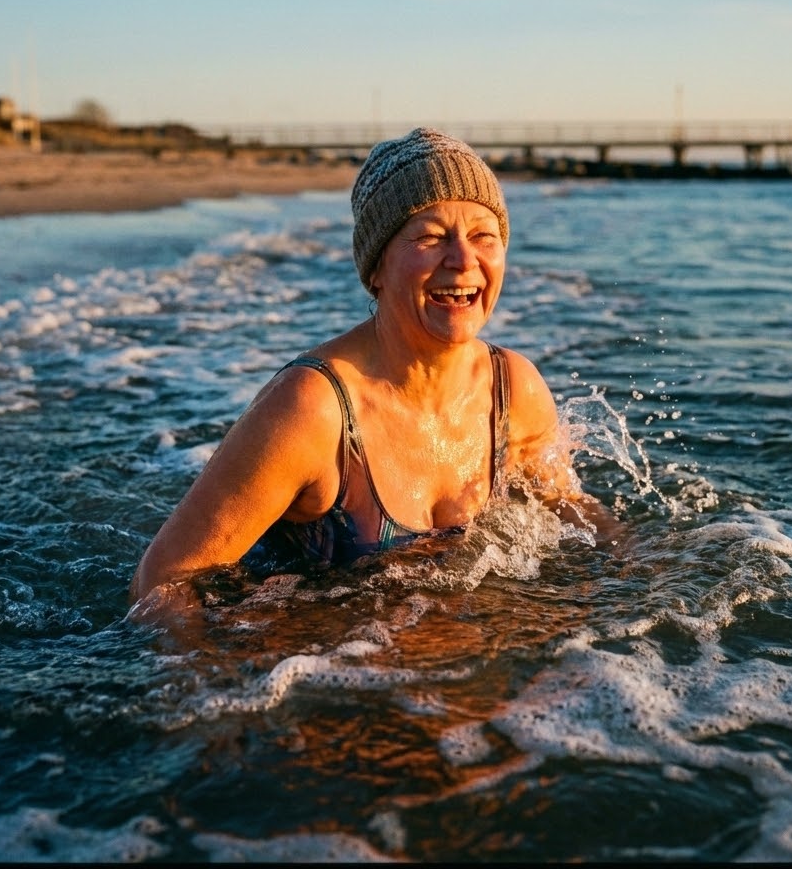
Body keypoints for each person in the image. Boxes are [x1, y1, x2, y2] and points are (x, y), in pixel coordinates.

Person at [129, 128, 621, 605]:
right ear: (376, 268)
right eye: (430, 237)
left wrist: (644, 577)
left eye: (483, 236)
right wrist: (211, 682)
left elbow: (569, 509)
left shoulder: (513, 388)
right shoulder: (312, 410)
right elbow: (164, 581)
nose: (464, 260)